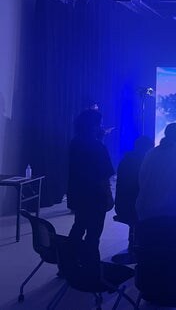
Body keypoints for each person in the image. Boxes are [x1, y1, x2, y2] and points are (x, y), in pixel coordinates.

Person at [135, 123, 176, 248]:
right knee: (168, 251)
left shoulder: (151, 153)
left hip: (146, 209)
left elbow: (142, 178)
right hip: (169, 209)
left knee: (149, 250)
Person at [67, 109, 115, 260]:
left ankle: (68, 261)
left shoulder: (75, 142)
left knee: (78, 226)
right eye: (99, 124)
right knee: (93, 235)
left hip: (78, 193)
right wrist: (109, 196)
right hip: (96, 197)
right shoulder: (98, 146)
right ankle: (90, 266)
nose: (101, 127)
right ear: (93, 126)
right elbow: (104, 173)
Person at [115, 136, 154, 249]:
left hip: (122, 205)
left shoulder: (125, 160)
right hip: (136, 206)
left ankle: (133, 242)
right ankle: (141, 246)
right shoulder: (144, 162)